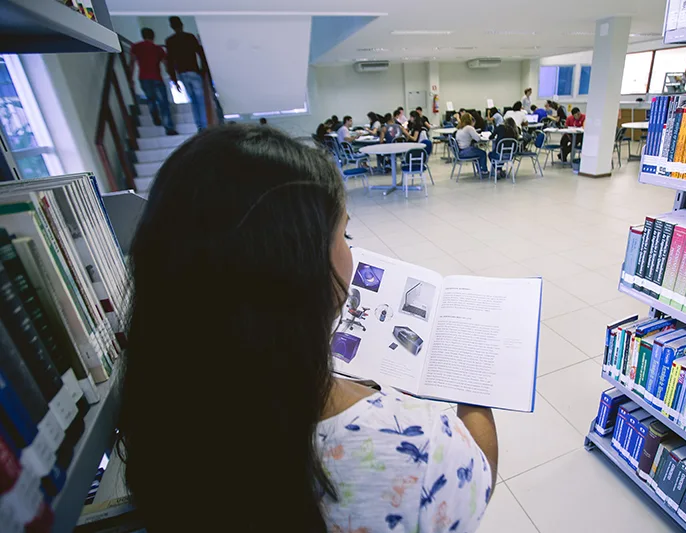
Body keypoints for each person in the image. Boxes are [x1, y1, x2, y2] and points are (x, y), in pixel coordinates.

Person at [115, 125, 498, 532]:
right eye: (344, 234)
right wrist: (473, 386)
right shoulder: (417, 446)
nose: (355, 256)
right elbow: (475, 479)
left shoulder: (158, 405)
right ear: (299, 270)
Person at [130, 28, 178, 136]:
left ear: (143, 36)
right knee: (163, 103)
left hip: (143, 78)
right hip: (156, 78)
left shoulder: (136, 47)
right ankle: (169, 128)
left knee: (150, 99)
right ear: (153, 36)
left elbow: (132, 63)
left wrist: (130, 78)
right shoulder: (158, 49)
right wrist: (172, 77)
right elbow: (166, 63)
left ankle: (155, 116)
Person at [165, 16, 207, 130]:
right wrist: (203, 71)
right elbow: (200, 53)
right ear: (182, 25)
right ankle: (204, 125)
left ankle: (199, 125)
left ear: (172, 27)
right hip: (193, 70)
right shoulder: (190, 37)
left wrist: (174, 79)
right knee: (201, 100)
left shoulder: (170, 41)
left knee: (193, 101)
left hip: (182, 73)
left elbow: (170, 61)